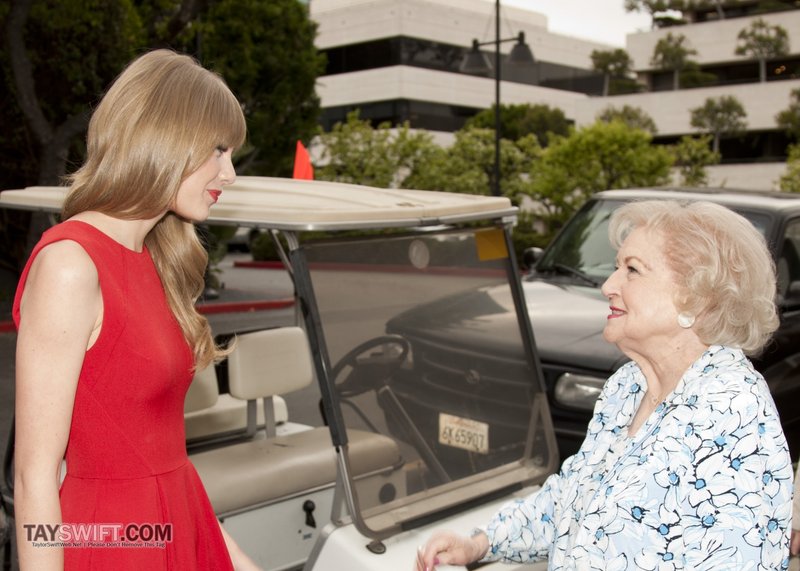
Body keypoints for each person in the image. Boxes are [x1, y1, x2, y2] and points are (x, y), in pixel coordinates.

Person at [416, 200, 792, 570]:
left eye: (632, 270)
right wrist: (482, 543)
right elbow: (573, 496)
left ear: (698, 297)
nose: (608, 285)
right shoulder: (629, 384)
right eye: (616, 267)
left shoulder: (734, 412)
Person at [13, 50, 260, 570]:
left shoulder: (159, 261)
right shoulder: (71, 264)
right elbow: (34, 476)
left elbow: (165, 451)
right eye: (218, 149)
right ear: (165, 136)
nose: (230, 172)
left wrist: (229, 553)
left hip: (178, 523)